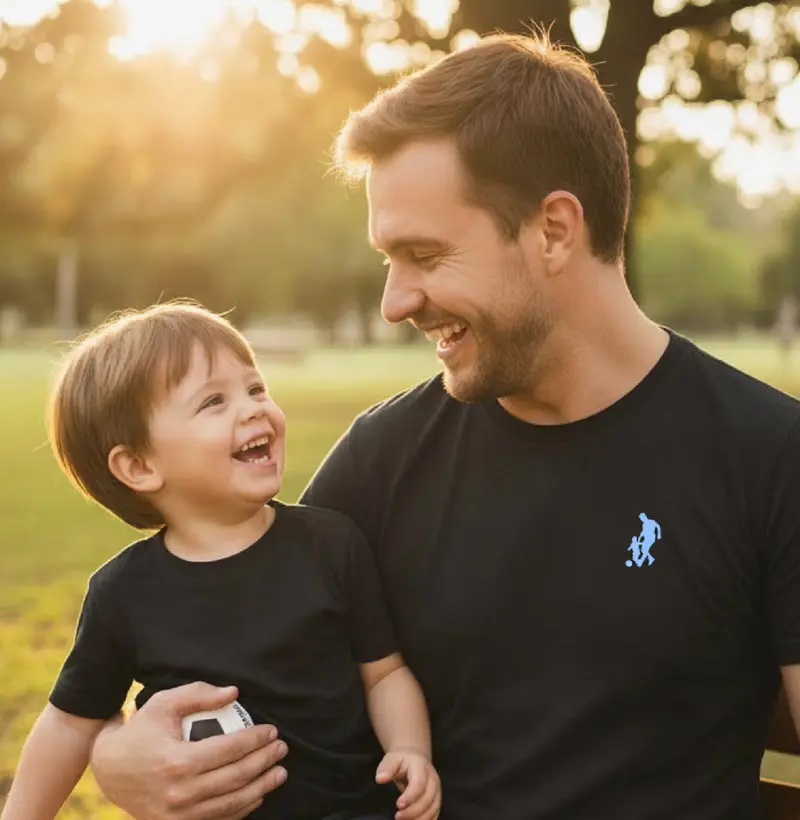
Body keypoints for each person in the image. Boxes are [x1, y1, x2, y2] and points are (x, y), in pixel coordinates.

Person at [88, 31, 800, 820]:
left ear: (554, 230)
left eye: (424, 255)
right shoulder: (383, 460)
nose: (395, 302)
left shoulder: (770, 457)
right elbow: (231, 648)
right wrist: (117, 758)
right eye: (388, 260)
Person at [0, 303, 440, 820]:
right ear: (139, 465)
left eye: (255, 388)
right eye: (213, 401)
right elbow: (70, 723)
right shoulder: (123, 593)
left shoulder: (331, 544)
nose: (253, 409)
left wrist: (410, 749)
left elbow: (384, 674)